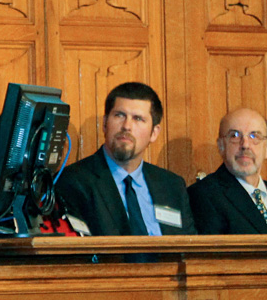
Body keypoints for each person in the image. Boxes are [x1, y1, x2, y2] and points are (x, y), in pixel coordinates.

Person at [55, 81, 196, 236]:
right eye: (119, 115)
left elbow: (188, 250)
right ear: (104, 124)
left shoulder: (172, 186)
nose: (127, 126)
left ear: (154, 133)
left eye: (138, 119)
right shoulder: (74, 182)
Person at [188, 107, 267, 235]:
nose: (245, 145)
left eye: (254, 136)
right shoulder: (203, 196)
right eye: (235, 136)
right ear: (221, 146)